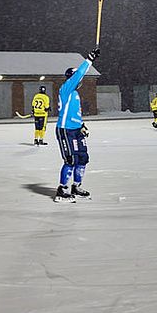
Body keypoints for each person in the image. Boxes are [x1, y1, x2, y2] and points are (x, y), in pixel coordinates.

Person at [54, 47, 100, 202]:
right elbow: (79, 74)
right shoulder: (66, 89)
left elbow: (75, 114)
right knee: (70, 160)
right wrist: (89, 60)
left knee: (82, 158)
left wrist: (81, 125)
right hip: (65, 130)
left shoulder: (75, 94)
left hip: (76, 130)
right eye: (77, 79)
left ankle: (76, 186)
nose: (80, 81)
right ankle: (62, 190)